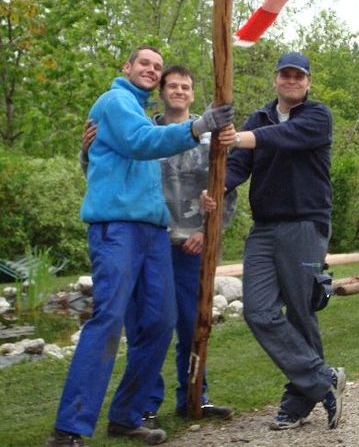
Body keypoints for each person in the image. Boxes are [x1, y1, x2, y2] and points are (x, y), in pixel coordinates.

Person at [46, 45, 233, 447]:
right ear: (126, 67)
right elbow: (138, 142)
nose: (151, 69)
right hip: (118, 229)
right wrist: (199, 127)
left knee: (159, 324)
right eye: (144, 63)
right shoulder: (116, 102)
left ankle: (127, 416)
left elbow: (119, 156)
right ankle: (68, 429)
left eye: (157, 66)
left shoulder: (138, 112)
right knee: (109, 320)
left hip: (153, 234)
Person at [202, 51, 346, 431]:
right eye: (286, 75)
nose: (292, 81)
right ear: (276, 79)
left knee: (300, 310)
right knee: (258, 311)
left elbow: (287, 137)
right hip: (264, 228)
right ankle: (323, 379)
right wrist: (217, 187)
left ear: (308, 82)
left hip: (305, 225)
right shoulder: (259, 118)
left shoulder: (317, 117)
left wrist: (242, 138)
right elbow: (237, 167)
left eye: (299, 76)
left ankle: (297, 403)